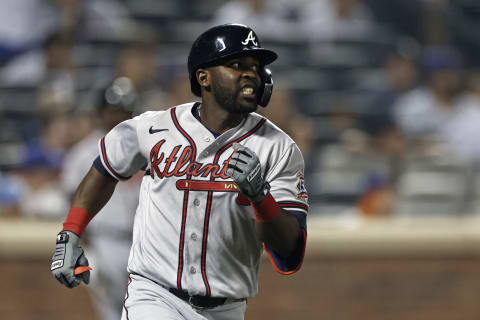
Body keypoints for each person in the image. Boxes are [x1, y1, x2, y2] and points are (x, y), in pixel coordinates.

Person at [50, 23, 308, 320]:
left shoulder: (279, 148)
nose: (251, 73)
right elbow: (104, 168)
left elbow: (290, 255)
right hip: (154, 295)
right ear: (204, 77)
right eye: (237, 65)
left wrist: (261, 197)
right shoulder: (154, 127)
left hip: (228, 307)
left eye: (255, 66)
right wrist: (70, 233)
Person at [60, 77, 142, 320]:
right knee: (109, 312)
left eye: (124, 109)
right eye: (113, 109)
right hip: (104, 241)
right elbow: (70, 199)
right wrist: (80, 242)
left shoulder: (144, 148)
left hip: (140, 243)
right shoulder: (84, 152)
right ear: (100, 112)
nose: (118, 115)